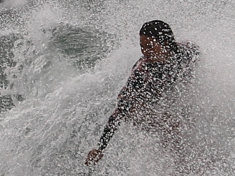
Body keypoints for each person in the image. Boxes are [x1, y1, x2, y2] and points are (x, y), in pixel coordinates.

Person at [85, 20, 199, 168]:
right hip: (141, 107)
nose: (145, 52)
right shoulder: (142, 71)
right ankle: (179, 165)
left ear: (165, 43)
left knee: (186, 115)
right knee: (170, 125)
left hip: (168, 96)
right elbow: (120, 111)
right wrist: (100, 148)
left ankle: (188, 161)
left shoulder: (187, 52)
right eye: (142, 47)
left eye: (150, 46)